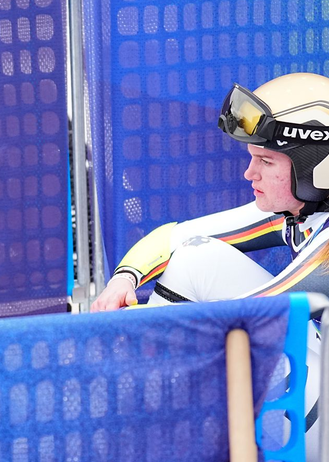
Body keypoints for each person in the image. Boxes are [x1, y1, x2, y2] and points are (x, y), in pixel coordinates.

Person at [91, 72, 329, 458]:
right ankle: (142, 424)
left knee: (231, 340)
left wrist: (140, 331)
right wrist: (124, 279)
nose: (249, 173)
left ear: (317, 166)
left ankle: (145, 429)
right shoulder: (302, 209)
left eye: (266, 160)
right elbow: (174, 239)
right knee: (196, 258)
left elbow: (249, 315)